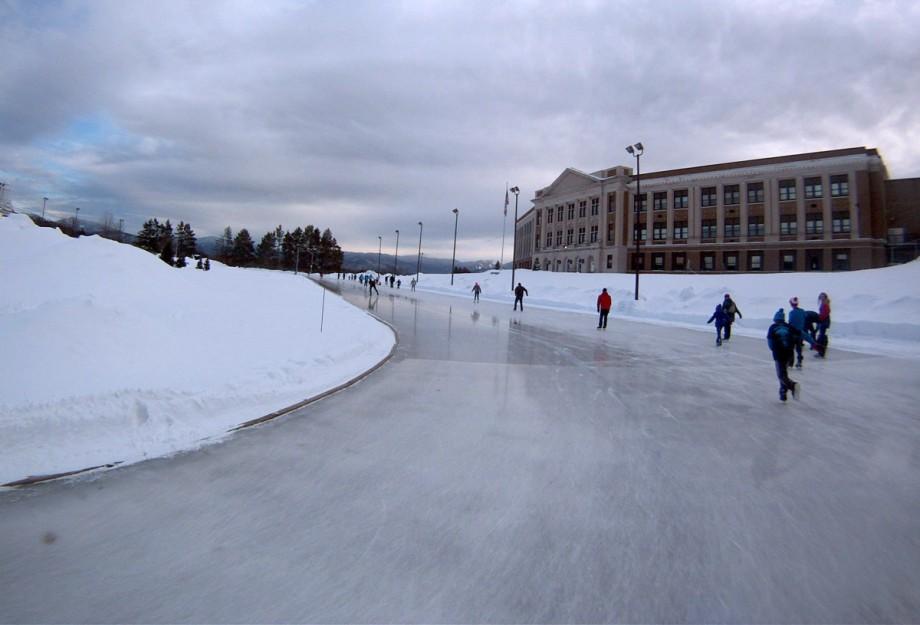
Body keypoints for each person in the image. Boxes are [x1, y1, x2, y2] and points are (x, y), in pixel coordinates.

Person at [767, 308, 799, 402]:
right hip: (789, 354)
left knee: (781, 375)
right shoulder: (789, 326)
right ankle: (783, 393)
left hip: (779, 354)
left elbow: (770, 342)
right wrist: (813, 343)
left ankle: (792, 385)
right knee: (784, 373)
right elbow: (799, 334)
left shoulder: (773, 327)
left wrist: (773, 349)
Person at [787, 297, 817, 368]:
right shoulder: (802, 311)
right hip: (800, 332)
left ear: (791, 304)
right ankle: (799, 360)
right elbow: (805, 317)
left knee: (791, 348)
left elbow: (791, 322)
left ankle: (791, 362)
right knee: (798, 347)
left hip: (793, 333)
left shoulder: (791, 313)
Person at [815, 292, 831, 358]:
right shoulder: (824, 304)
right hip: (823, 321)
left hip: (823, 322)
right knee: (821, 335)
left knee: (821, 336)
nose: (821, 298)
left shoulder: (825, 305)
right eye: (821, 297)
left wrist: (819, 319)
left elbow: (824, 314)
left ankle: (821, 351)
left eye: (823, 297)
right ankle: (820, 351)